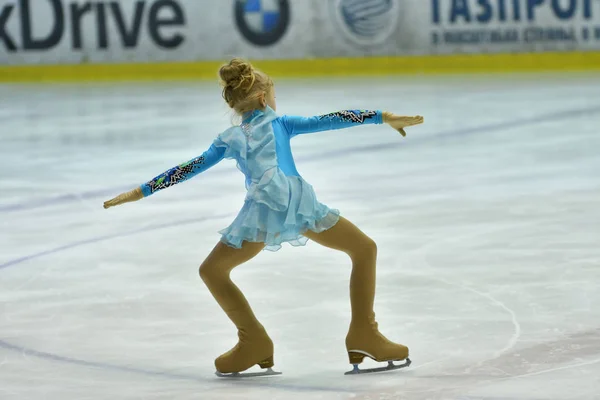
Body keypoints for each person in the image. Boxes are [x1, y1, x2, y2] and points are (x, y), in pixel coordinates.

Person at [103, 58, 424, 376]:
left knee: (213, 271)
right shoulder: (280, 124)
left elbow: (188, 168)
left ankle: (253, 340)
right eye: (273, 94)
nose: (274, 100)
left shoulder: (229, 138)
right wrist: (383, 117)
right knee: (364, 249)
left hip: (262, 211)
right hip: (297, 204)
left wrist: (142, 191)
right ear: (262, 98)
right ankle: (364, 334)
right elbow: (332, 119)